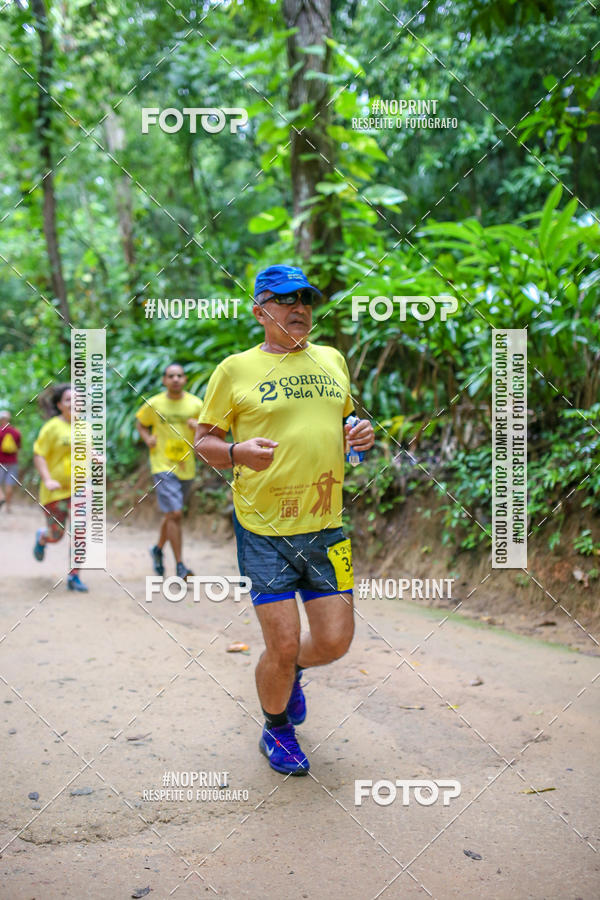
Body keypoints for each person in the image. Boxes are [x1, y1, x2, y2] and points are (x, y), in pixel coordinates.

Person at [195, 265, 374, 775]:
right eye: (286, 300)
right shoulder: (234, 370)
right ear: (259, 311)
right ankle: (277, 730)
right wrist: (236, 450)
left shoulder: (332, 359)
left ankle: (290, 672)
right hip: (263, 532)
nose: (300, 308)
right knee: (284, 641)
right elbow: (203, 441)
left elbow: (342, 425)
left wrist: (357, 437)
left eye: (307, 300)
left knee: (336, 642)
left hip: (325, 526)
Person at [136, 362, 203, 579]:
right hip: (162, 465)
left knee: (171, 514)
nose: (175, 379)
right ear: (164, 380)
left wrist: (199, 428)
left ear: (185, 380)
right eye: (170, 376)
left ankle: (157, 550)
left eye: (179, 376)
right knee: (175, 513)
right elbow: (140, 422)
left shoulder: (196, 404)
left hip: (186, 465)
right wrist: (148, 439)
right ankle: (180, 565)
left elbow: (210, 431)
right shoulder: (155, 404)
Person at [32, 384, 88, 592]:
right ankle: (43, 536)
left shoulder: (85, 427)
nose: (74, 403)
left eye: (78, 400)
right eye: (68, 400)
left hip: (79, 489)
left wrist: (97, 457)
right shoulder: (52, 427)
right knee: (57, 536)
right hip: (55, 492)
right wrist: (47, 479)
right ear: (59, 404)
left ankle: (74, 576)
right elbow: (39, 455)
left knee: (80, 531)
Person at [0, 410, 21, 513]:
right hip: (13, 462)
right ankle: (8, 507)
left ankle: (2, 497)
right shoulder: (16, 432)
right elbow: (19, 447)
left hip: (1, 462)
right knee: (9, 484)